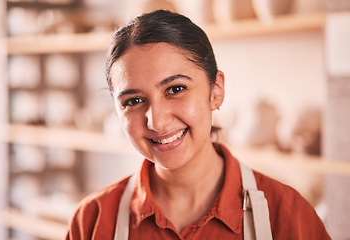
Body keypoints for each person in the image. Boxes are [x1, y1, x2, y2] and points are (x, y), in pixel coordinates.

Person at [65, 10, 330, 239]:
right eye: (133, 100)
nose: (156, 121)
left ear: (216, 91)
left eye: (175, 88)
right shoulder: (91, 222)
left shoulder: (288, 216)